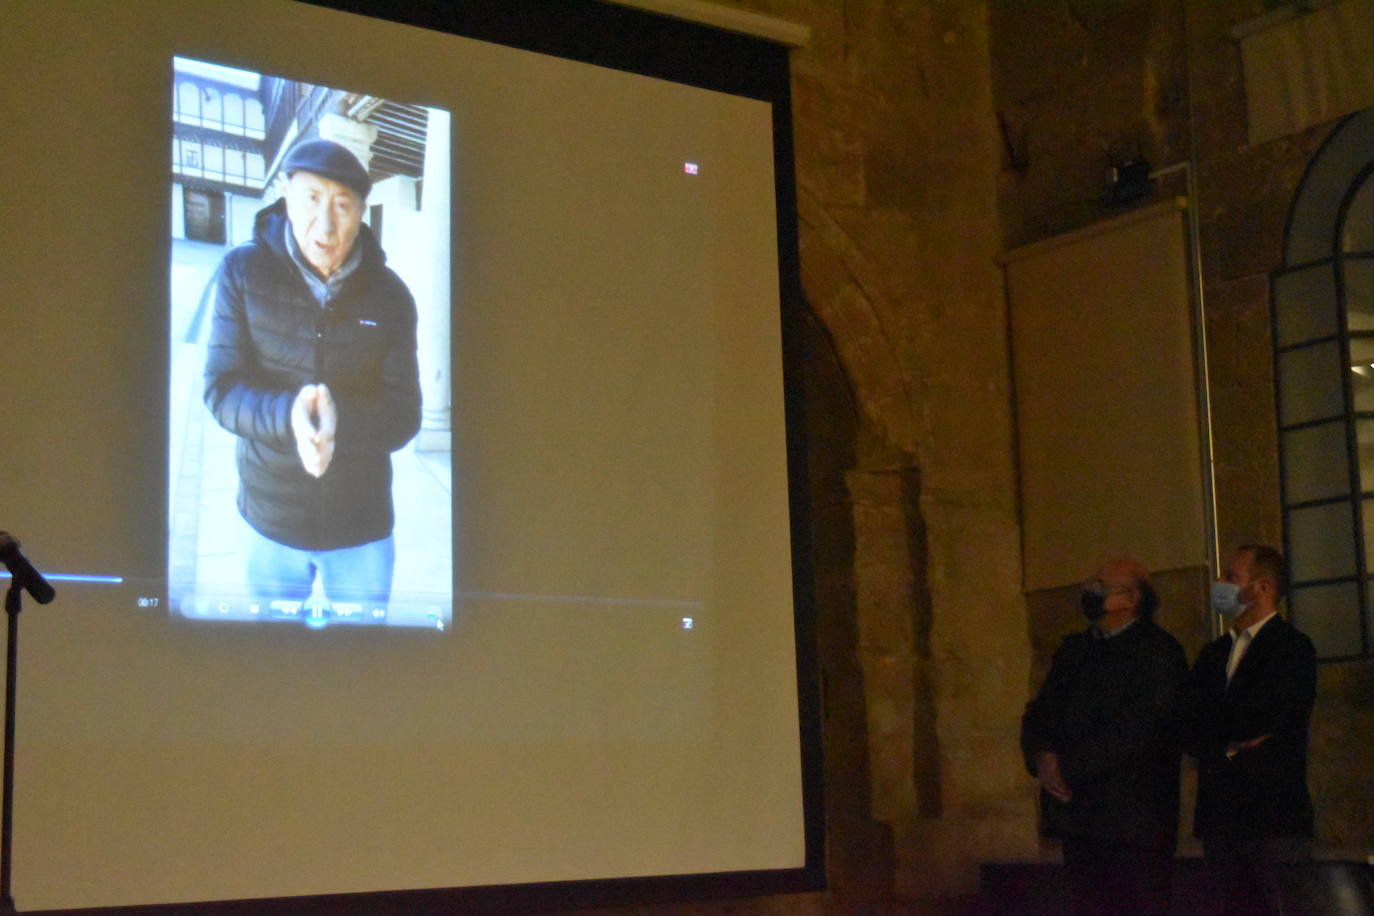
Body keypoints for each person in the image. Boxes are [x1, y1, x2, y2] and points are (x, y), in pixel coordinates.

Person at [204, 138, 421, 619]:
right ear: (285, 193)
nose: (325, 225)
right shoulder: (241, 272)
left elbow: (404, 413)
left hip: (360, 525)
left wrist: (340, 423)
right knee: (273, 663)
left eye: (343, 205)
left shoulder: (392, 298)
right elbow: (221, 389)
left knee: (361, 666)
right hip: (269, 518)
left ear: (362, 211)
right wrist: (289, 416)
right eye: (311, 199)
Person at [1020, 557, 1188, 915]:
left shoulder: (1158, 653)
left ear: (1131, 599)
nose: (1090, 592)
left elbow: (1140, 730)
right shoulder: (1076, 651)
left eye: (1101, 586)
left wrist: (1069, 768)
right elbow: (1040, 713)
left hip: (1133, 826)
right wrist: (1043, 758)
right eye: (1089, 585)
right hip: (1079, 822)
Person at [1181, 544, 1317, 915]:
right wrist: (1232, 744)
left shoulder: (1292, 649)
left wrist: (1218, 738)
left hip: (1272, 816)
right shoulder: (1212, 655)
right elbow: (1187, 724)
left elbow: (1266, 719)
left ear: (1262, 587)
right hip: (1218, 817)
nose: (1220, 584)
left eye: (1231, 577)